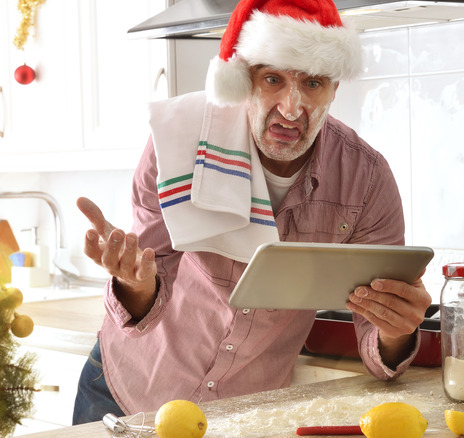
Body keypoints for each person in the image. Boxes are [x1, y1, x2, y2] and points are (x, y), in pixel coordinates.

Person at [72, 0, 432, 425]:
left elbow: (379, 348)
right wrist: (134, 283)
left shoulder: (366, 180)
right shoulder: (177, 144)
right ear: (243, 80)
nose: (291, 107)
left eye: (313, 83)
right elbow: (149, 289)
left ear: (335, 87)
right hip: (126, 395)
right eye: (273, 79)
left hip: (244, 417)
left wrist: (396, 329)